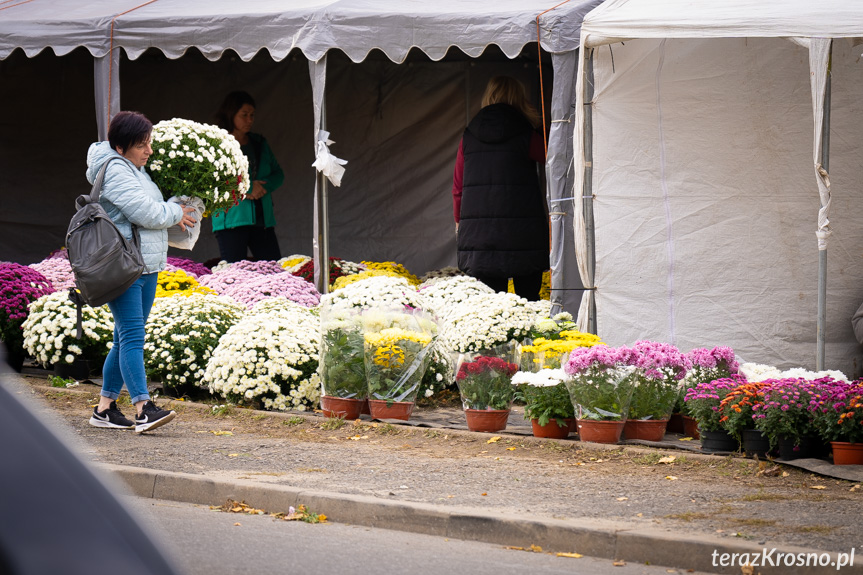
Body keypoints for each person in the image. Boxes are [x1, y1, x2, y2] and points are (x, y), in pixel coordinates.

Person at [85, 111, 197, 433]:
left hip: (144, 265)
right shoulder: (117, 171)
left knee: (124, 339)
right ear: (121, 147)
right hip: (123, 267)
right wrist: (175, 212)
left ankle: (105, 409)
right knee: (133, 337)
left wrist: (172, 211)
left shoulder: (135, 169)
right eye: (142, 145)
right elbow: (146, 212)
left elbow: (152, 210)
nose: (149, 151)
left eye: (149, 144)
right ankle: (143, 407)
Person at [451, 76, 549, 301]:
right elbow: (550, 155)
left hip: (481, 237)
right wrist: (540, 125)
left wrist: (459, 223)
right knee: (529, 303)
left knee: (493, 308)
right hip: (524, 235)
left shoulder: (469, 135)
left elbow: (458, 187)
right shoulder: (525, 133)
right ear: (519, 99)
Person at [212, 91, 285, 262]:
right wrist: (249, 187)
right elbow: (215, 179)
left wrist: (263, 187)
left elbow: (278, 174)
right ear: (231, 115)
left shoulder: (259, 143)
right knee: (235, 275)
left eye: (252, 115)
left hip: (262, 221)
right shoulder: (218, 143)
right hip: (231, 220)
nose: (249, 120)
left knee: (273, 271)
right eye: (244, 115)